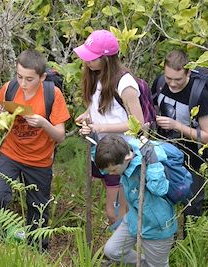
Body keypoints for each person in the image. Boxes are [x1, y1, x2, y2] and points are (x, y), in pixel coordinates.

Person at [0, 49, 70, 250]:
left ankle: (37, 251)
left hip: (39, 161)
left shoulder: (52, 94)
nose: (23, 84)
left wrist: (43, 123)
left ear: (42, 78)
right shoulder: (9, 89)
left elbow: (60, 136)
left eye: (29, 79)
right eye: (19, 76)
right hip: (11, 153)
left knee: (38, 210)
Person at [73, 29, 145, 229]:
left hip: (122, 152)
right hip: (103, 147)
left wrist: (101, 126)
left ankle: (121, 251)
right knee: (113, 207)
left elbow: (137, 124)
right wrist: (88, 115)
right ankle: (119, 248)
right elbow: (102, 105)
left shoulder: (125, 83)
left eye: (93, 58)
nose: (87, 62)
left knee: (117, 210)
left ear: (106, 58)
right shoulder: (96, 75)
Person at [95, 134, 177, 267]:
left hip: (157, 226)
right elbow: (105, 164)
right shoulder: (121, 154)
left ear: (128, 158)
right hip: (133, 219)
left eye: (114, 170)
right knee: (113, 251)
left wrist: (153, 162)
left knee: (158, 265)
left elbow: (160, 189)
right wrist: (93, 139)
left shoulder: (147, 161)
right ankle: (146, 264)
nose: (110, 174)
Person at [151, 50, 208, 217]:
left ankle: (190, 240)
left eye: (177, 80)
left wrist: (176, 125)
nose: (172, 84)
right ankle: (166, 240)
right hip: (165, 151)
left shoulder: (200, 94)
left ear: (188, 72)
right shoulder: (159, 83)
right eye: (168, 78)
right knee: (162, 196)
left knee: (192, 203)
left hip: (193, 156)